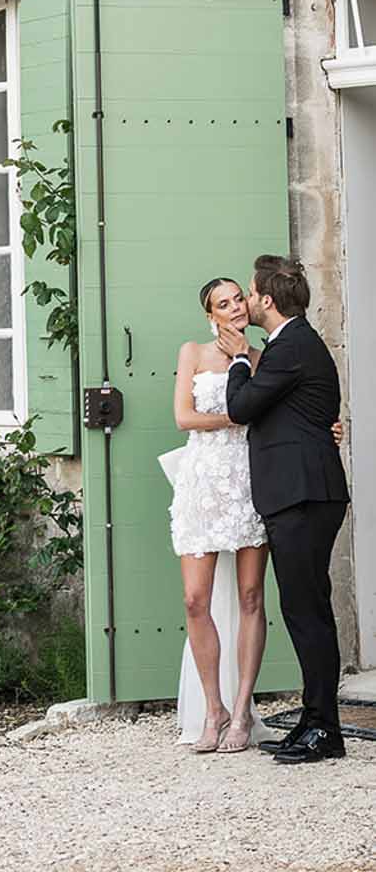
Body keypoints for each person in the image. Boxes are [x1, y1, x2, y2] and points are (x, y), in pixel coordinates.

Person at [219, 255, 350, 765]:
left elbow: (241, 407)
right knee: (305, 611)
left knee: (307, 613)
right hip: (301, 494)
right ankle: (315, 720)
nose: (246, 302)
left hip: (303, 496)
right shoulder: (287, 346)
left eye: (250, 294)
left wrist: (235, 359)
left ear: (267, 301)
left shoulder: (291, 346)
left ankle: (325, 729)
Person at [169, 277, 271, 753]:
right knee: (195, 599)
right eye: (222, 304)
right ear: (210, 316)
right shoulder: (192, 352)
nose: (233, 309)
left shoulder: (261, 358)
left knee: (251, 594)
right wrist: (239, 414)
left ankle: (242, 709)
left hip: (249, 481)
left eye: (237, 300)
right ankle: (214, 709)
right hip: (203, 483)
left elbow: (281, 414)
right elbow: (185, 418)